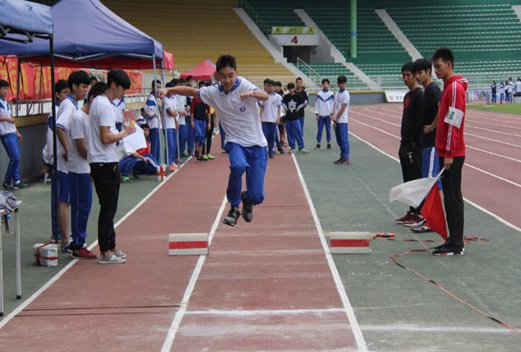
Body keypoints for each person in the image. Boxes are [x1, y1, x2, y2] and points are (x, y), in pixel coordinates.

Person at [162, 55, 269, 227]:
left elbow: (264, 96)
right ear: (217, 76)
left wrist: (251, 93)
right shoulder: (213, 92)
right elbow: (191, 92)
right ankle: (234, 207)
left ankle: (247, 200)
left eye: (231, 75)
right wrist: (169, 91)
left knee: (257, 196)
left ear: (236, 73)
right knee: (237, 166)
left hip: (257, 145)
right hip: (236, 142)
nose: (227, 80)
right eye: (223, 76)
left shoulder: (243, 84)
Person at [88, 69, 136, 264]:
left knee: (109, 207)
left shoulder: (98, 103)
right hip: (105, 162)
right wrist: (126, 133)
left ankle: (111, 246)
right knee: (108, 208)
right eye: (122, 89)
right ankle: (105, 250)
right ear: (113, 85)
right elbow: (106, 137)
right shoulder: (105, 106)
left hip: (102, 161)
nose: (123, 93)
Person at [431, 48, 467, 256]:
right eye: (435, 67)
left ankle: (456, 243)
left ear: (449, 64)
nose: (436, 70)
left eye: (439, 66)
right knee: (451, 197)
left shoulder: (454, 89)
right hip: (447, 151)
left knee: (453, 197)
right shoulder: (448, 87)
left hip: (452, 153)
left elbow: (454, 122)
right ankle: (453, 239)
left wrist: (449, 152)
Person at [68, 82, 106, 259]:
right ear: (92, 99)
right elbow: (81, 146)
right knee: (79, 207)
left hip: (87, 167)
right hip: (78, 169)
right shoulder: (77, 118)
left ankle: (79, 241)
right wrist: (94, 159)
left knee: (86, 206)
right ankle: (77, 243)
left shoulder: (90, 117)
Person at [56, 70, 91, 252]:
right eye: (83, 87)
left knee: (68, 200)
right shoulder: (69, 106)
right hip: (67, 163)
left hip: (67, 162)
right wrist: (68, 149)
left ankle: (67, 238)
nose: (86, 91)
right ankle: (67, 239)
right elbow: (60, 127)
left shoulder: (71, 104)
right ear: (74, 87)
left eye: (88, 87)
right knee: (66, 200)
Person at [411, 58, 443, 234]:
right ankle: (431, 217)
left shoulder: (432, 90)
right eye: (416, 73)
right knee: (431, 182)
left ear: (428, 72)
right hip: (427, 144)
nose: (417, 76)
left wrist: (432, 126)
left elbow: (441, 107)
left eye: (420, 73)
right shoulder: (427, 90)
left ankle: (431, 220)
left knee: (430, 182)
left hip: (431, 144)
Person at [395, 62, 424, 227]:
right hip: (404, 143)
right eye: (403, 75)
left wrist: (414, 144)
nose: (405, 78)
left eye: (408, 75)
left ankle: (419, 213)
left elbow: (420, 122)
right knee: (407, 181)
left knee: (415, 179)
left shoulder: (420, 96)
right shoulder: (408, 96)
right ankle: (411, 211)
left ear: (415, 76)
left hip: (413, 146)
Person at [43, 80, 69, 242]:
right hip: (58, 160)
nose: (66, 96)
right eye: (64, 93)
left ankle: (61, 231)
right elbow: (51, 138)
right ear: (57, 95)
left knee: (63, 199)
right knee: (59, 199)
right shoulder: (55, 111)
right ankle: (57, 232)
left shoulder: (65, 109)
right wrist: (51, 159)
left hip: (63, 160)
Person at [0, 80, 28, 191]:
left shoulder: (5, 102)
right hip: (5, 134)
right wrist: (7, 119)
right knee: (15, 158)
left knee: (16, 158)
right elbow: (8, 119)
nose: (6, 91)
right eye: (3, 89)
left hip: (11, 132)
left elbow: (11, 119)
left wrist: (17, 132)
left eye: (7, 89)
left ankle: (17, 180)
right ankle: (7, 181)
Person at [282, 83, 308, 154]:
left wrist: (298, 108)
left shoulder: (298, 96)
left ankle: (301, 147)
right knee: (289, 133)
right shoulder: (286, 96)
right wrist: (285, 107)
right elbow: (282, 102)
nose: (290, 90)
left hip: (296, 118)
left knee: (299, 132)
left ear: (294, 88)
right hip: (288, 118)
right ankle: (292, 147)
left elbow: (305, 102)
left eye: (292, 88)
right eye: (289, 89)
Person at [259, 79, 282, 159]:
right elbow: (261, 107)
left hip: (273, 120)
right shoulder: (263, 95)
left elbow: (279, 108)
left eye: (272, 86)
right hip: (265, 120)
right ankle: (264, 152)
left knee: (272, 137)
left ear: (275, 87)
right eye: (269, 86)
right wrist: (260, 117)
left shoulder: (278, 97)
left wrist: (278, 117)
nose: (270, 88)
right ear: (267, 86)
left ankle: (271, 152)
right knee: (264, 137)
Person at [332, 75, 351, 165]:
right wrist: (334, 118)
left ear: (345, 83)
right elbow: (335, 106)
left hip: (343, 120)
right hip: (337, 120)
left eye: (342, 83)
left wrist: (336, 117)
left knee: (344, 139)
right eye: (339, 83)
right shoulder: (337, 93)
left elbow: (343, 108)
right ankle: (342, 156)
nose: (341, 85)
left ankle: (345, 158)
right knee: (339, 140)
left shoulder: (346, 94)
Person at [190, 81, 211, 161]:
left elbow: (208, 112)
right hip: (196, 119)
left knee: (203, 137)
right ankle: (197, 149)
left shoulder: (207, 99)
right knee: (198, 134)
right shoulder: (195, 99)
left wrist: (209, 122)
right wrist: (192, 121)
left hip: (204, 120)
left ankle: (199, 154)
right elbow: (192, 111)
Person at [162, 82, 179, 170]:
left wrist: (176, 121)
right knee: (170, 144)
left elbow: (176, 111)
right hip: (167, 125)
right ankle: (168, 162)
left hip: (173, 124)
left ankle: (171, 161)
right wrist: (175, 114)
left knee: (173, 144)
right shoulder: (164, 99)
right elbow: (171, 112)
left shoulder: (174, 98)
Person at [144, 79, 161, 162]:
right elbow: (149, 114)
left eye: (160, 87)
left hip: (156, 125)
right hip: (153, 126)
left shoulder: (155, 98)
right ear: (152, 88)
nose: (159, 89)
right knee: (154, 147)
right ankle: (154, 163)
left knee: (157, 147)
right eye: (157, 87)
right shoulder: (151, 98)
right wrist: (156, 113)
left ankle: (156, 163)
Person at [315, 78, 334, 150]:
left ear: (328, 85)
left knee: (328, 130)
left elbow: (333, 104)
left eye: (326, 83)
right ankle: (318, 143)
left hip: (328, 116)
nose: (325, 85)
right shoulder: (319, 94)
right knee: (319, 130)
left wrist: (331, 114)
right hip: (321, 115)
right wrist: (317, 114)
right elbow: (317, 104)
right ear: (322, 85)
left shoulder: (331, 94)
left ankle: (328, 143)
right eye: (324, 83)